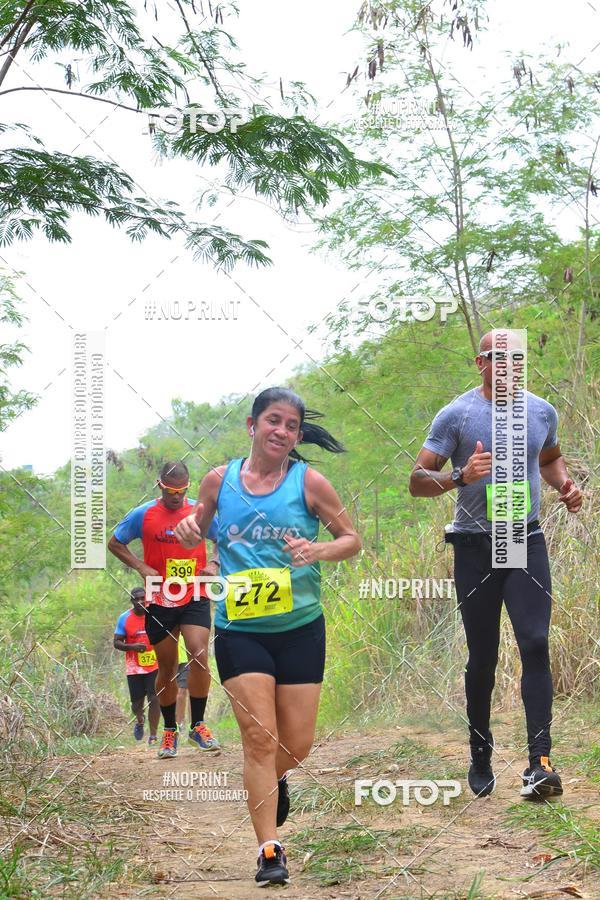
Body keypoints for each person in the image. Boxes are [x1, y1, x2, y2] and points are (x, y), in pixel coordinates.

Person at [175, 387, 361, 887]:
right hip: (240, 630)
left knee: (294, 745)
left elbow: (351, 540)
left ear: (298, 435)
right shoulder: (220, 480)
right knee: (259, 739)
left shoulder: (309, 482)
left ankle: (272, 776)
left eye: (292, 425)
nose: (282, 431)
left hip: (301, 628)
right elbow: (199, 528)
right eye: (273, 420)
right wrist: (192, 533)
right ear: (252, 426)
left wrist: (318, 550)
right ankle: (269, 848)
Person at [409, 329, 583, 800]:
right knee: (483, 654)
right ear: (479, 362)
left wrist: (565, 485)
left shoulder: (541, 410)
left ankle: (539, 762)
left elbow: (550, 459)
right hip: (474, 544)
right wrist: (459, 476)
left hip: (521, 535)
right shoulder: (457, 415)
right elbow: (417, 480)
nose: (507, 366)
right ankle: (480, 750)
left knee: (535, 639)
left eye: (515, 359)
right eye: (497, 358)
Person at [108, 461, 221, 758]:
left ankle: (197, 725)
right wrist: (142, 566)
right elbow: (114, 542)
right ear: (160, 485)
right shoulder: (143, 514)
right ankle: (170, 731)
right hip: (159, 599)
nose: (177, 496)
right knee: (167, 667)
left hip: (194, 593)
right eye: (171, 490)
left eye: (182, 490)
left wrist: (213, 563)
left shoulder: (199, 511)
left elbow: (222, 540)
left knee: (198, 654)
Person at [114, 587, 160, 745]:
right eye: (136, 599)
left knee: (154, 698)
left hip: (155, 664)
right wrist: (132, 647)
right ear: (132, 601)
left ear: (147, 599)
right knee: (136, 703)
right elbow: (117, 642)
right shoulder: (124, 618)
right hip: (134, 667)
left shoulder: (155, 615)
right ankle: (140, 720)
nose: (140, 602)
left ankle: (153, 735)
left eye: (143, 598)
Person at [176, 633, 190, 733]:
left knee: (182, 692)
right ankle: (176, 723)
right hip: (168, 662)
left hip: (185, 661)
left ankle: (182, 724)